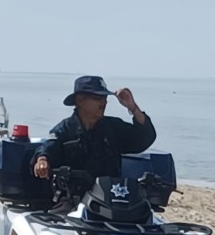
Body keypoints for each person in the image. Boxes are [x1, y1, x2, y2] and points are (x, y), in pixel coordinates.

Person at [32, 75, 156, 208]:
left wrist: (132, 107)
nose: (103, 102)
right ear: (80, 100)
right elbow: (47, 148)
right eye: (98, 98)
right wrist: (42, 161)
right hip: (74, 200)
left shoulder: (113, 127)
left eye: (105, 98)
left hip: (111, 200)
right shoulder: (65, 129)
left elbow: (144, 137)